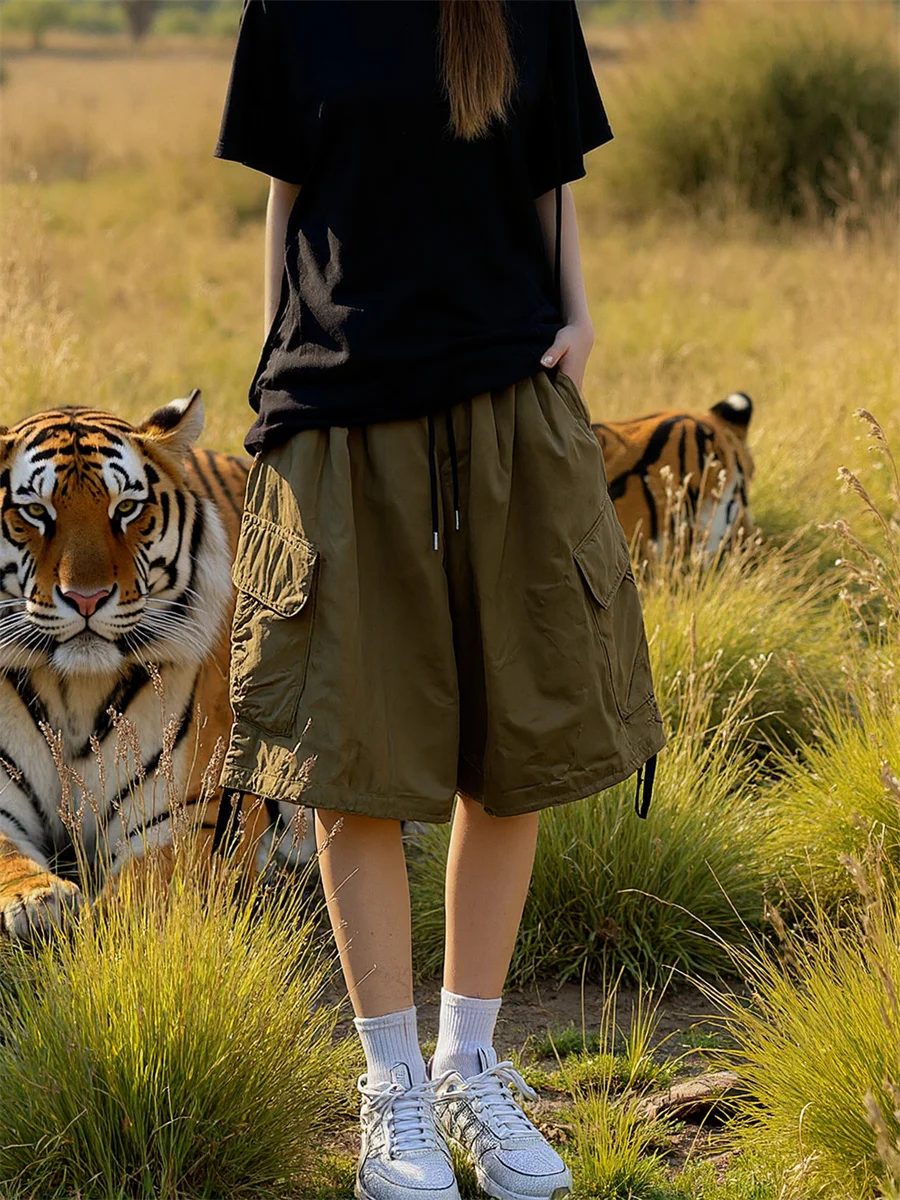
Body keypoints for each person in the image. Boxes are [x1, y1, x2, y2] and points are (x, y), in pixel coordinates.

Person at [214, 3, 666, 1198]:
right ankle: (393, 1093)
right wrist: (277, 369)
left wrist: (579, 316)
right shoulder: (293, 7)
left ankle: (469, 1063)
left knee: (508, 744)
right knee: (347, 757)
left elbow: (550, 178)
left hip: (507, 407)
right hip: (340, 422)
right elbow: (284, 197)